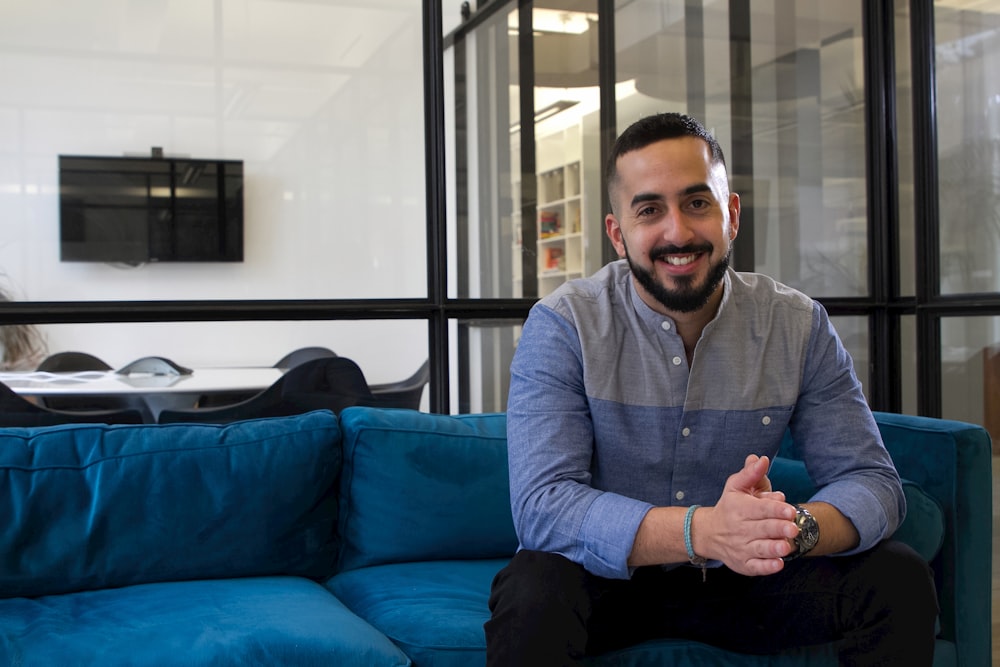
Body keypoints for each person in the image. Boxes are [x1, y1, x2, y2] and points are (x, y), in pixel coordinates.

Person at [484, 112, 938, 665]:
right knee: (533, 585)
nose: (678, 233)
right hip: (604, 580)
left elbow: (872, 482)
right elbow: (542, 508)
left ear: (732, 215)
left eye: (698, 203)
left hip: (746, 581)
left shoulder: (796, 325)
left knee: (897, 577)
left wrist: (791, 530)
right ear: (616, 232)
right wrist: (705, 530)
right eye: (650, 210)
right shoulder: (564, 325)